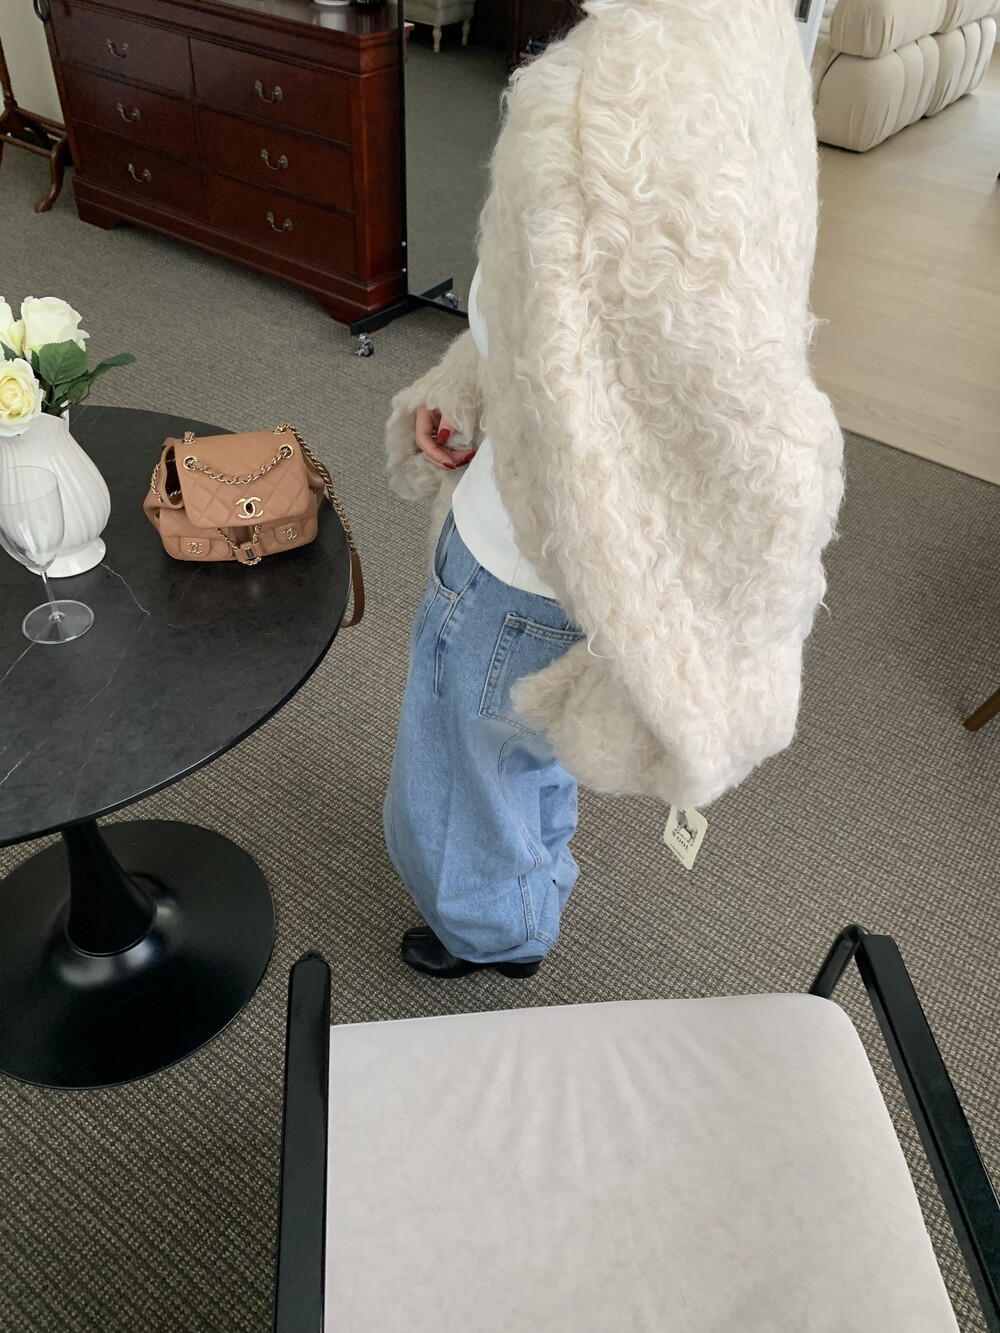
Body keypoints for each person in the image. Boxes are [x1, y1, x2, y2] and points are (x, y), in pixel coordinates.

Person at [383, 0, 844, 979]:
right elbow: (601, 340)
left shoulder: (589, 115)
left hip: (519, 563)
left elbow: (569, 343)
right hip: (577, 564)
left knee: (462, 772)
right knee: (527, 747)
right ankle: (527, 885)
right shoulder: (750, 42)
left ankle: (496, 932)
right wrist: (472, 383)